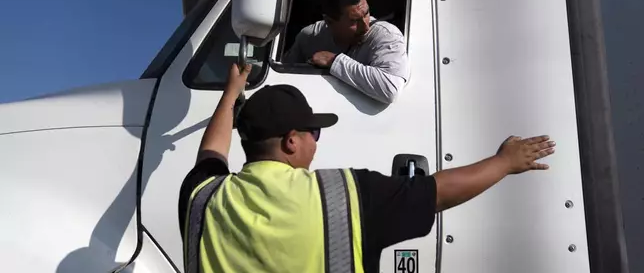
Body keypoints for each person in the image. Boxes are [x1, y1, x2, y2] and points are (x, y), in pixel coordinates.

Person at [178, 64, 556, 273]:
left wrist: (230, 94)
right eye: (314, 133)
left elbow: (211, 153)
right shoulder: (343, 198)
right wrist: (504, 162)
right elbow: (438, 191)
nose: (316, 142)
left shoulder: (201, 199)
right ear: (292, 141)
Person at [282, 0, 410, 104]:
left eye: (366, 14)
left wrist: (334, 61)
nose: (365, 26)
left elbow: (390, 89)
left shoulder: (386, 35)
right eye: (354, 21)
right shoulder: (309, 37)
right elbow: (283, 78)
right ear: (329, 21)